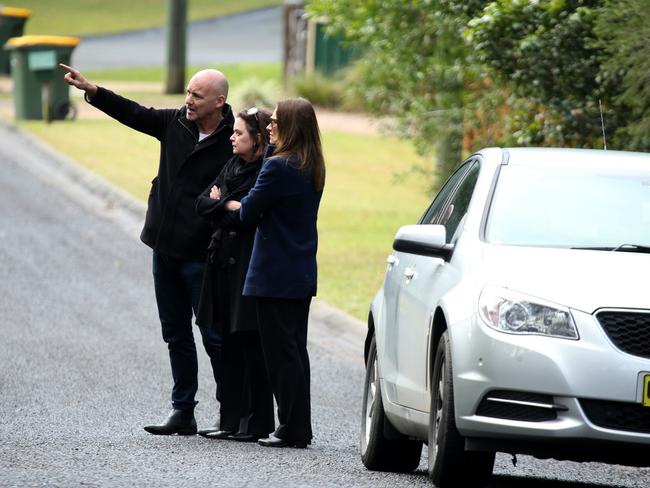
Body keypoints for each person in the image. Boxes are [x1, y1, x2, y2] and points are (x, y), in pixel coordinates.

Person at [61, 63, 233, 436]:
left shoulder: (233, 140)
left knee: (213, 335)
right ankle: (182, 410)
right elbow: (134, 113)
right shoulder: (175, 123)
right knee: (175, 334)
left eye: (197, 96)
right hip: (164, 248)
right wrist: (93, 90)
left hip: (202, 254)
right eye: (188, 92)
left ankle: (231, 410)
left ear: (219, 101)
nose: (188, 100)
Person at [225, 98, 325, 448]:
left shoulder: (278, 167)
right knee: (295, 351)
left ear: (291, 127)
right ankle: (298, 425)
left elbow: (247, 212)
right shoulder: (311, 164)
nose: (269, 126)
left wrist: (228, 202)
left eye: (276, 122)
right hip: (299, 271)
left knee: (280, 355)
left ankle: (291, 428)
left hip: (272, 274)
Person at [194, 107, 275, 442]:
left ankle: (256, 421)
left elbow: (249, 217)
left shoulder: (265, 171)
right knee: (224, 340)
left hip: (245, 264)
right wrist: (228, 205)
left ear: (256, 139)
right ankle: (229, 418)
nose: (231, 136)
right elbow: (202, 203)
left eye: (239, 133)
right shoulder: (232, 165)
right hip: (220, 263)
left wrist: (222, 204)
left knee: (249, 342)